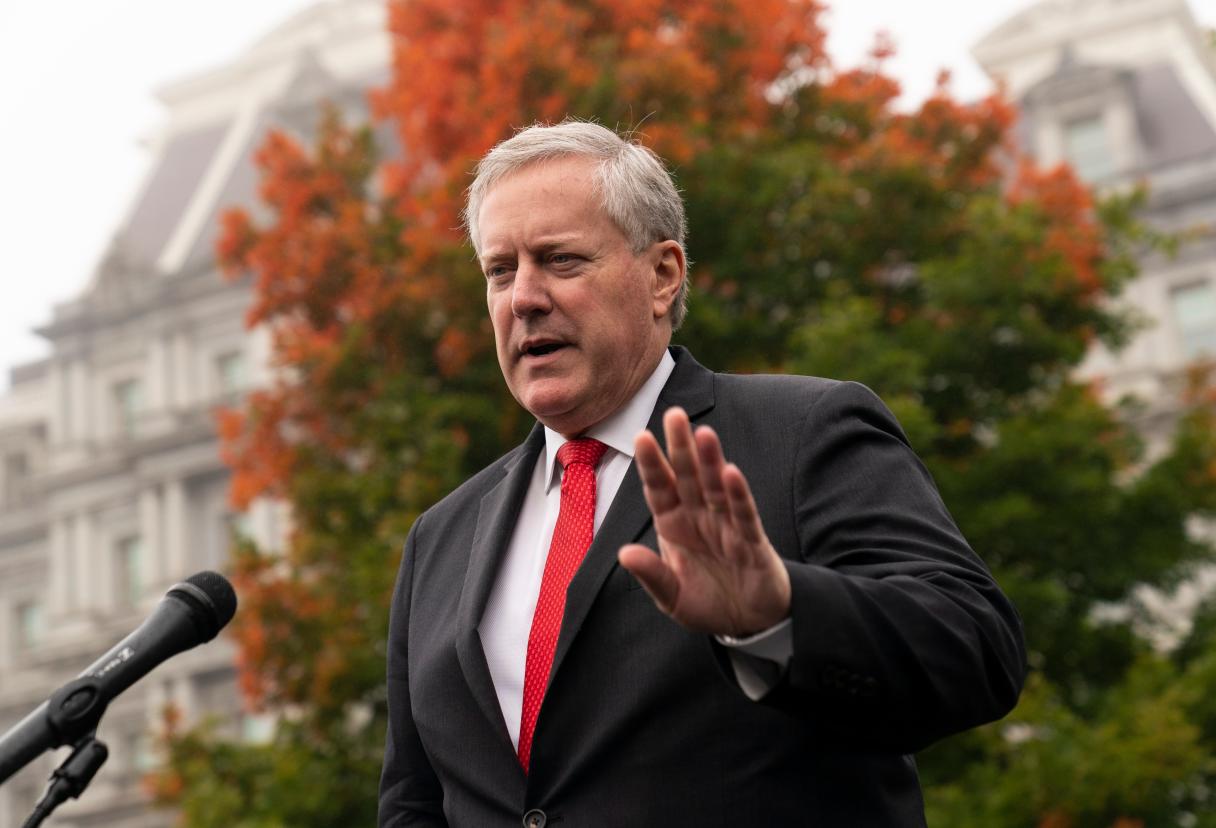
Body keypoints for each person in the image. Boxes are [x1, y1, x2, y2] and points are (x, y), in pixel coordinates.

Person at [378, 121, 1026, 828]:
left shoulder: (803, 434)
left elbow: (974, 648)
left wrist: (779, 616)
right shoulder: (439, 538)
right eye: (500, 271)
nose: (522, 298)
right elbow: (415, 802)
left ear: (662, 276)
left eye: (560, 260)